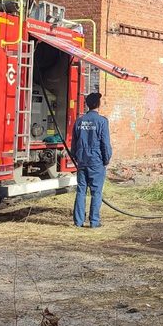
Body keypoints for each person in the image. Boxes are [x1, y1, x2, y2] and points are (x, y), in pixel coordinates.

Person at [71, 92, 112, 228]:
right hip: (96, 161)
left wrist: (76, 157)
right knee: (96, 192)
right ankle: (94, 222)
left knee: (81, 190)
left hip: (82, 161)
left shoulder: (79, 121)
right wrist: (106, 159)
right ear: (98, 105)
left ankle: (78, 222)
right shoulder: (102, 121)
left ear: (87, 104)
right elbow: (105, 144)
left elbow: (74, 143)